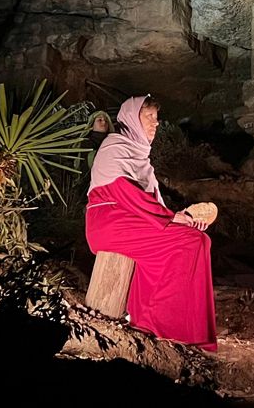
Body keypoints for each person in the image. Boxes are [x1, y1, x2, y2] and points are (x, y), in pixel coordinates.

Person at [84, 95, 217, 351]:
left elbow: (154, 204)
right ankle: (160, 324)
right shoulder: (114, 145)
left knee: (198, 239)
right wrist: (170, 218)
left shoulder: (141, 157)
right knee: (190, 243)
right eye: (149, 117)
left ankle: (155, 320)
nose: (155, 124)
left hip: (132, 220)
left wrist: (183, 220)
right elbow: (122, 190)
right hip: (110, 223)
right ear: (133, 120)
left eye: (157, 118)